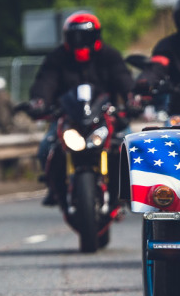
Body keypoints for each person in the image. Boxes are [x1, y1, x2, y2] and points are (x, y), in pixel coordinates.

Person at [28, 11, 133, 206]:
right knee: (46, 148)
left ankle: (129, 189)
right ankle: (54, 188)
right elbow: (45, 81)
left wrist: (132, 98)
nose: (80, 42)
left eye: (86, 36)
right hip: (69, 116)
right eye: (75, 37)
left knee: (130, 144)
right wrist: (39, 101)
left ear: (96, 36)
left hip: (105, 114)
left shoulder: (109, 55)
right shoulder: (57, 57)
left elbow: (123, 77)